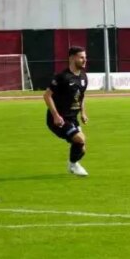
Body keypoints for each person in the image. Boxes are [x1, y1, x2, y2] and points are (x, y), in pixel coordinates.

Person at [43, 46, 90, 176]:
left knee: (82, 150)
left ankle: (72, 164)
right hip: (59, 119)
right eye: (81, 57)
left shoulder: (83, 77)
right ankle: (73, 165)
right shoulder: (62, 77)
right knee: (80, 139)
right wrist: (55, 116)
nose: (85, 60)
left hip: (72, 119)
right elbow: (47, 96)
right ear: (72, 58)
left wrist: (83, 113)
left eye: (85, 57)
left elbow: (81, 96)